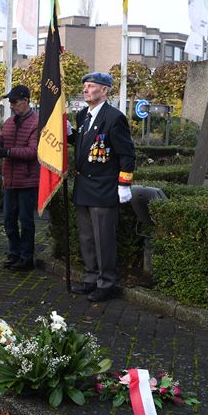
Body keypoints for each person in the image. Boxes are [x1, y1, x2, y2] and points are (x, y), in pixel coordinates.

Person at [67, 72, 135, 302]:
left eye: (91, 86)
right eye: (84, 86)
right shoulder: (82, 116)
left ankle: (106, 283)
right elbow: (84, 143)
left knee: (103, 238)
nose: (85, 90)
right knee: (86, 237)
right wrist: (69, 135)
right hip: (84, 185)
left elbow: (127, 153)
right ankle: (90, 278)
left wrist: (124, 184)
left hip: (104, 188)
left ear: (104, 90)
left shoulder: (114, 117)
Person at [0, 85, 39, 271]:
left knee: (26, 221)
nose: (11, 105)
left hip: (27, 180)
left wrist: (6, 152)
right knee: (9, 220)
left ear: (26, 101)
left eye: (14, 102)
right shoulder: (10, 122)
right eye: (10, 102)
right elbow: (0, 142)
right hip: (10, 179)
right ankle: (15, 253)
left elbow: (32, 152)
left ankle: (27, 257)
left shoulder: (36, 123)